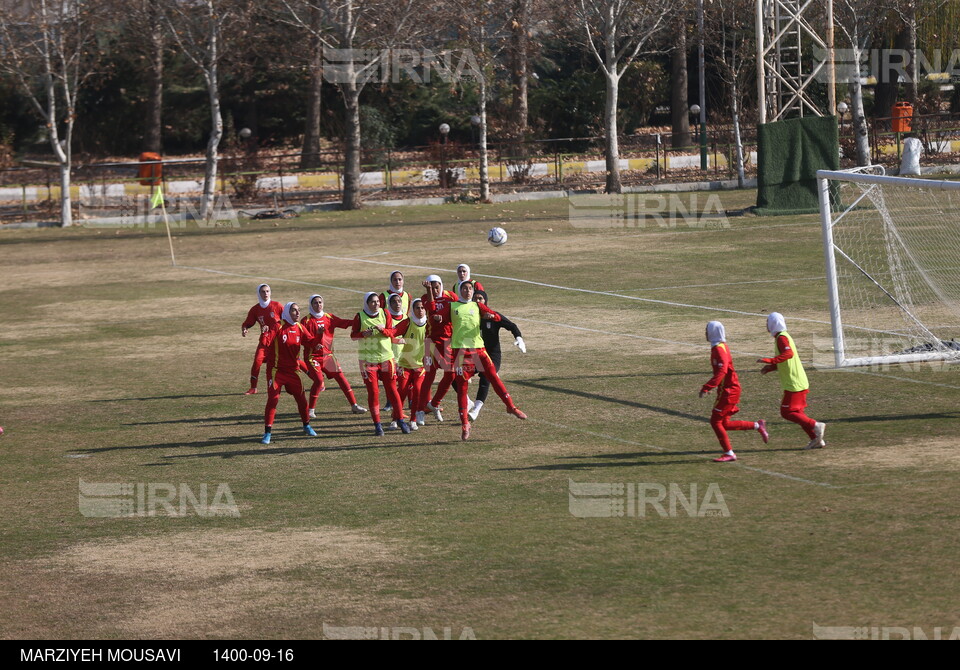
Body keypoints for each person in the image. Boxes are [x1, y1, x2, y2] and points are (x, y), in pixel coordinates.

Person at [443, 281, 527, 441]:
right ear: (460, 291)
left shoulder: (477, 306)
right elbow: (439, 321)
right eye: (465, 289)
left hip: (479, 350)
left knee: (493, 377)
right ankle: (465, 424)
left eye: (470, 289)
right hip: (461, 352)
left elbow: (495, 315)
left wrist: (491, 315)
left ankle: (511, 407)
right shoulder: (453, 307)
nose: (467, 291)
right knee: (462, 387)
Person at [699, 321, 769, 462]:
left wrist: (708, 386)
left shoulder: (719, 349)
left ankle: (729, 453)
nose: (705, 333)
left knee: (715, 421)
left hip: (729, 391)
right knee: (723, 423)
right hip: (727, 389)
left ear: (713, 332)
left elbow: (723, 370)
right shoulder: (719, 347)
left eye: (707, 330)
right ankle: (758, 425)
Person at [757, 312, 827, 449]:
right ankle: (816, 439)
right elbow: (785, 360)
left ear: (773, 324)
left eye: (767, 322)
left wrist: (770, 360)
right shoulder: (781, 337)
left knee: (787, 412)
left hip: (794, 383)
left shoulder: (781, 338)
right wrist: (771, 367)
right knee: (798, 413)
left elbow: (788, 354)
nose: (766, 325)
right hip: (796, 381)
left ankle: (816, 425)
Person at [351, 292, 412, 436]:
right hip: (368, 361)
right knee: (373, 392)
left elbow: (392, 332)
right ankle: (377, 425)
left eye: (378, 301)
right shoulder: (360, 316)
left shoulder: (385, 314)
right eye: (373, 302)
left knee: (392, 390)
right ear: (367, 303)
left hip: (386, 358)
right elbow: (353, 335)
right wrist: (362, 334)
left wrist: (382, 330)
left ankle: (400, 419)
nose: (376, 304)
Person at [259, 302, 319, 445]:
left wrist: (319, 337)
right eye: (294, 311)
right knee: (273, 399)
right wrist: (264, 334)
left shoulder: (299, 327)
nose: (298, 313)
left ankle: (306, 425)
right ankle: (267, 432)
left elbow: (310, 342)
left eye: (298, 310)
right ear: (287, 312)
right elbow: (266, 342)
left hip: (293, 371)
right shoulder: (278, 326)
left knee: (302, 400)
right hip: (276, 371)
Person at [300, 294, 367, 417]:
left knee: (342, 378)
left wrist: (359, 320)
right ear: (311, 305)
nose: (318, 305)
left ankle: (354, 405)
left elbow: (343, 323)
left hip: (328, 356)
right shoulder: (305, 321)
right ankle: (311, 410)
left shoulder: (329, 317)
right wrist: (314, 344)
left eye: (320, 302)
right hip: (312, 357)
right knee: (319, 380)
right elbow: (303, 340)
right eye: (315, 303)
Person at [469, 289, 526, 421]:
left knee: (485, 377)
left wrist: (519, 338)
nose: (477, 301)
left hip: (492, 355)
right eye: (475, 299)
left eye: (480, 299)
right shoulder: (469, 316)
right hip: (475, 354)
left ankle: (476, 410)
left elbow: (511, 325)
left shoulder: (493, 316)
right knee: (456, 375)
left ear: (485, 301)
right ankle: (467, 402)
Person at [417, 274, 458, 425]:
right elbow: (432, 308)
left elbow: (456, 312)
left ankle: (434, 404)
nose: (434, 290)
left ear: (441, 285)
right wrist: (428, 291)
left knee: (451, 374)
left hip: (448, 342)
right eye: (431, 288)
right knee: (429, 376)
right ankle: (420, 411)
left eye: (436, 287)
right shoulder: (425, 297)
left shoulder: (451, 296)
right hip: (431, 341)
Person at [393, 298, 428, 431]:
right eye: (417, 308)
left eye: (422, 308)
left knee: (418, 392)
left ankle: (413, 419)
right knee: (401, 391)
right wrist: (398, 341)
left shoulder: (429, 324)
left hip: (420, 366)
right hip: (405, 365)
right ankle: (395, 418)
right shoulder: (407, 323)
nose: (420, 310)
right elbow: (391, 335)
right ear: (412, 310)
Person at [241, 283, 283, 395]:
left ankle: (316, 379)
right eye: (263, 291)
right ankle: (253, 388)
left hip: (278, 342)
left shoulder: (277, 305)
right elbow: (248, 323)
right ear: (258, 293)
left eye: (267, 291)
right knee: (257, 362)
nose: (266, 293)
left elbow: (288, 320)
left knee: (291, 361)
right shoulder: (255, 309)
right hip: (264, 341)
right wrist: (245, 329)